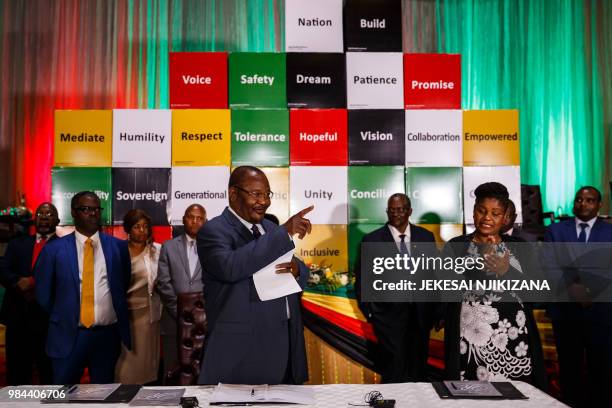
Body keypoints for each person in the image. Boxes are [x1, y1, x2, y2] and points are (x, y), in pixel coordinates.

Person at [196, 166, 312, 385]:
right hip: (243, 354)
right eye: (256, 194)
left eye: (267, 195)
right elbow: (230, 267)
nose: (264, 201)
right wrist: (284, 232)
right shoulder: (213, 231)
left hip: (286, 345)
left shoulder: (269, 228)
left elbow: (292, 265)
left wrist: (297, 270)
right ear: (233, 194)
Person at [444, 182, 547, 388]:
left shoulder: (519, 247)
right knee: (471, 398)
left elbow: (537, 294)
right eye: (481, 211)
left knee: (514, 397)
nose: (487, 218)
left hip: (513, 340)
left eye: (495, 213)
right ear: (473, 212)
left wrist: (506, 271)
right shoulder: (456, 247)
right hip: (469, 342)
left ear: (505, 217)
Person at [35, 191, 131, 384]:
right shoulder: (53, 250)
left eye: (96, 209)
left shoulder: (118, 247)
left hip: (106, 337)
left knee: (103, 396)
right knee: (62, 396)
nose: (93, 213)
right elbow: (43, 295)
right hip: (68, 334)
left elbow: (123, 283)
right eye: (86, 209)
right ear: (74, 212)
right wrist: (64, 314)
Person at [354, 193, 437, 383]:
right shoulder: (372, 241)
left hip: (420, 318)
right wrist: (371, 314)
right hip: (387, 319)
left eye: (400, 209)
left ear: (409, 211)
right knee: (394, 371)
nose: (396, 214)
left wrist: (435, 312)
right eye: (392, 210)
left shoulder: (426, 237)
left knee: (419, 372)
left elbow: (433, 275)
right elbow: (363, 282)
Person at [544, 186, 612, 408]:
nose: (583, 204)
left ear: (598, 205)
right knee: (569, 366)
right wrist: (573, 288)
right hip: (566, 311)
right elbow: (549, 265)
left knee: (600, 367)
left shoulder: (609, 232)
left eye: (590, 200)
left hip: (601, 312)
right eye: (579, 199)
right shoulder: (555, 231)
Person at [0, 202, 58, 385]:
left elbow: (65, 278)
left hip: (49, 321)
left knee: (47, 372)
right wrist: (18, 282)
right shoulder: (18, 244)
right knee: (17, 372)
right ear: (35, 219)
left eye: (49, 214)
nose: (44, 216)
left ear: (57, 220)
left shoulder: (65, 246)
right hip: (18, 317)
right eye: (41, 213)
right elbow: (2, 269)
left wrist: (34, 283)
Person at [157, 204, 206, 378]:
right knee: (172, 370)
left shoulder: (212, 248)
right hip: (173, 319)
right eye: (191, 217)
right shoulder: (168, 247)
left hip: (204, 322)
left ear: (205, 221)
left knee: (202, 371)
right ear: (184, 219)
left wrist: (201, 312)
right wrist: (179, 311)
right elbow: (163, 282)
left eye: (200, 218)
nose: (195, 221)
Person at [115, 209, 162, 384]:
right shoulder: (119, 252)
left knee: (148, 363)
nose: (142, 231)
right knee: (126, 365)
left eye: (145, 226)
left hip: (149, 315)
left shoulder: (157, 251)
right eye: (137, 227)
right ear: (128, 229)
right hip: (127, 315)